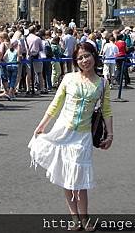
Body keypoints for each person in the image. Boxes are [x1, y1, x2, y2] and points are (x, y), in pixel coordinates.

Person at [29, 42, 113, 231]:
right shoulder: (68, 78)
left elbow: (107, 110)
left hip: (83, 136)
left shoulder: (102, 83)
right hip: (63, 132)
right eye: (80, 58)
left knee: (80, 179)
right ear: (76, 61)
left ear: (94, 56)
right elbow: (56, 103)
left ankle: (84, 219)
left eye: (87, 56)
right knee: (67, 178)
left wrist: (111, 134)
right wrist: (42, 125)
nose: (85, 60)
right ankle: (74, 218)